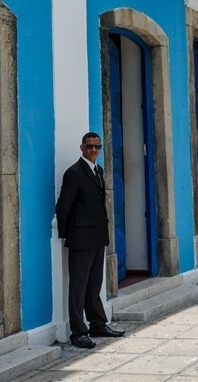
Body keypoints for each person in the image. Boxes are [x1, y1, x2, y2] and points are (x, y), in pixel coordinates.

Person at [55, 132, 125, 348]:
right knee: (78, 286)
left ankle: (97, 323)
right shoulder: (74, 173)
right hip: (81, 238)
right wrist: (67, 234)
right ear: (81, 148)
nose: (93, 151)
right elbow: (63, 207)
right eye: (89, 147)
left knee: (95, 284)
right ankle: (78, 332)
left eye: (97, 147)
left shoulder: (99, 171)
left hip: (97, 237)